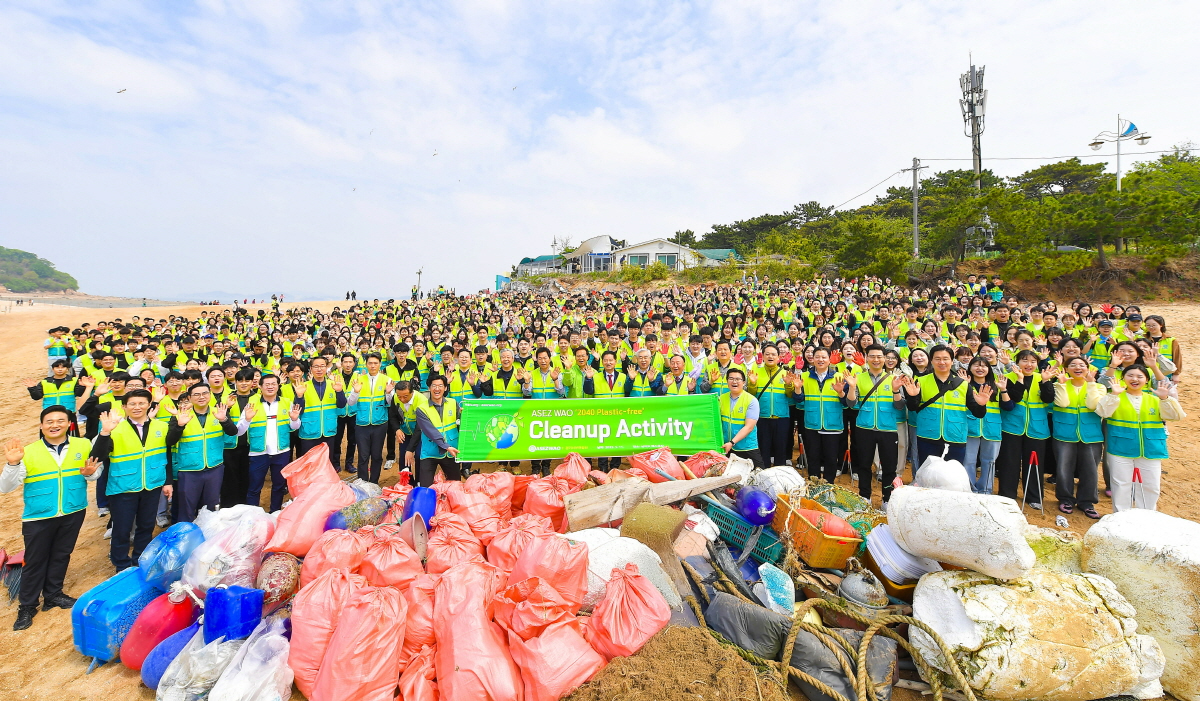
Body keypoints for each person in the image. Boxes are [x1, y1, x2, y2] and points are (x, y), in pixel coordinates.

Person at [1, 407, 102, 631]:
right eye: (49, 421)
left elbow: (95, 473)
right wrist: (13, 464)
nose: (54, 424)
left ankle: (53, 594)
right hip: (39, 515)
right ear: (41, 426)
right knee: (35, 561)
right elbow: (6, 487)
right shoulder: (28, 451)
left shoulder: (83, 445)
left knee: (61, 554)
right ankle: (27, 605)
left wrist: (90, 473)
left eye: (60, 420)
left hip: (73, 510)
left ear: (69, 424)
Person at [89, 390, 170, 573]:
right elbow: (97, 456)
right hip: (122, 487)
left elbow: (166, 456)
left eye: (142, 403)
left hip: (151, 484)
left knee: (146, 526)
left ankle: (140, 559)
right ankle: (121, 564)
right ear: (124, 407)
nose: (137, 407)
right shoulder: (115, 428)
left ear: (149, 404)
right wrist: (105, 432)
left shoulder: (161, 427)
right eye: (132, 404)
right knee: (122, 528)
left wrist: (167, 481)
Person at [1094, 365, 1185, 512]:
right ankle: (1121, 518)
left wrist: (1165, 398)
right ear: (1123, 378)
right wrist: (1114, 395)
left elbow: (1176, 416)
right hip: (1120, 447)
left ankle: (1147, 517)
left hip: (1151, 448)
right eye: (1130, 375)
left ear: (1147, 380)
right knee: (1121, 484)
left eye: (1140, 376)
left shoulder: (1155, 399)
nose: (1134, 379)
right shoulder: (1115, 396)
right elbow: (1102, 412)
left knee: (1151, 485)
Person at [901, 345, 990, 467]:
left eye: (945, 358)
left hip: (955, 437)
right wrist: (911, 397)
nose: (941, 362)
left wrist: (981, 405)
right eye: (937, 359)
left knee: (951, 477)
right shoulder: (921, 381)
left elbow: (978, 414)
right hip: (928, 435)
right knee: (928, 475)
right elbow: (912, 408)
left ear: (952, 361)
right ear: (931, 361)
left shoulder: (963, 384)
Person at [166, 383, 237, 522]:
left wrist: (224, 420)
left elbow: (233, 432)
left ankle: (208, 536)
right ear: (190, 398)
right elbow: (170, 441)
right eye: (196, 394)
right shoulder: (181, 415)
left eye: (205, 393)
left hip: (214, 467)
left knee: (212, 506)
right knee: (187, 507)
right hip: (189, 469)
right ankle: (186, 538)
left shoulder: (218, 412)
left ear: (210, 395)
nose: (201, 397)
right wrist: (180, 426)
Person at [846, 345, 905, 507]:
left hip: (887, 428)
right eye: (872, 356)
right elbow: (851, 403)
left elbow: (900, 406)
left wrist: (895, 391)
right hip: (864, 427)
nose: (876, 360)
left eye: (879, 356)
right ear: (866, 358)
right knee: (864, 465)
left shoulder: (894, 378)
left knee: (889, 467)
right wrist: (851, 387)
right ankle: (865, 497)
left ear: (885, 359)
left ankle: (887, 499)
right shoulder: (859, 377)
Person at [995, 350, 1055, 509]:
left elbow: (1048, 399)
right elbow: (1014, 399)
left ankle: (1034, 497)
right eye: (1024, 360)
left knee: (1035, 463)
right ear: (1017, 362)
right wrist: (1020, 381)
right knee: (1009, 462)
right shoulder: (1008, 378)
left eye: (1032, 361)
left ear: (1037, 363)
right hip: (1012, 426)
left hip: (1037, 427)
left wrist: (1045, 382)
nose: (1028, 364)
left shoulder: (1042, 377)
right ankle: (1007, 495)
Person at [1051, 358, 1107, 518]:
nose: (1078, 368)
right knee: (1064, 468)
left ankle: (1087, 502)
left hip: (1091, 434)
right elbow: (1062, 403)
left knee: (1090, 470)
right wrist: (1061, 384)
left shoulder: (1099, 387)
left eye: (1082, 365)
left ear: (1088, 369)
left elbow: (1093, 405)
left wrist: (1090, 384)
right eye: (1073, 365)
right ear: (1066, 368)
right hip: (1064, 433)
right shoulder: (1058, 385)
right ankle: (1066, 498)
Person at [238, 374, 301, 511]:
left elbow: (295, 427)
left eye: (274, 384)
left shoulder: (286, 402)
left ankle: (275, 512)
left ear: (278, 386)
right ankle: (253, 516)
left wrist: (295, 419)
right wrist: (247, 419)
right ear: (260, 387)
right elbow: (239, 431)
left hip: (281, 451)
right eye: (267, 384)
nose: (270, 386)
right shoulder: (252, 404)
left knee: (279, 486)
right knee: (254, 487)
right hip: (258, 452)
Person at [791, 347, 849, 483]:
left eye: (824, 357)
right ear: (812, 359)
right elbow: (799, 401)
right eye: (817, 356)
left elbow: (846, 404)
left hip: (833, 424)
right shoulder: (804, 376)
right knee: (813, 457)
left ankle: (828, 486)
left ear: (830, 360)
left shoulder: (839, 377)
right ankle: (813, 485)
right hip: (812, 424)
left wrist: (841, 392)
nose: (820, 360)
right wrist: (798, 389)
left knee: (831, 458)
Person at [347, 353, 395, 484]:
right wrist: (356, 392)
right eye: (370, 363)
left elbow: (391, 403)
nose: (373, 366)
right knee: (363, 456)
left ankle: (374, 483)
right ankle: (363, 483)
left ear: (380, 364)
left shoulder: (387, 379)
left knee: (376, 455)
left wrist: (389, 393)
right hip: (362, 424)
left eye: (375, 363)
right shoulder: (359, 380)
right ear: (366, 364)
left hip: (380, 424)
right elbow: (350, 403)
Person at [295, 355, 346, 456]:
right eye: (316, 366)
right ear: (311, 369)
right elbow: (298, 410)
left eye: (322, 366)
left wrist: (339, 392)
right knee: (309, 465)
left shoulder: (334, 384)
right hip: (309, 431)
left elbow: (341, 405)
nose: (319, 369)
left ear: (327, 367)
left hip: (328, 430)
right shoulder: (303, 386)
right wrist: (299, 396)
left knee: (326, 464)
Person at [751, 345, 793, 467]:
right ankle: (764, 475)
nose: (770, 356)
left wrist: (789, 385)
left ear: (779, 357)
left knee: (781, 449)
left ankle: (779, 475)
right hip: (762, 417)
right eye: (767, 354)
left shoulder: (785, 373)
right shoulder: (756, 373)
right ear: (762, 356)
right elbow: (751, 396)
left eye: (773, 354)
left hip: (782, 417)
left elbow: (790, 396)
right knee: (763, 449)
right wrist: (752, 384)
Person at [415, 376, 461, 486]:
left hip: (451, 452)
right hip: (430, 452)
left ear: (445, 388)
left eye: (440, 386)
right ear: (429, 388)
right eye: (434, 386)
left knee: (455, 486)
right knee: (426, 487)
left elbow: (461, 423)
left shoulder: (453, 403)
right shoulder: (421, 408)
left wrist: (466, 414)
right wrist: (446, 446)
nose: (437, 389)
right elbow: (430, 431)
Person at [720, 368, 765, 468]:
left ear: (744, 382)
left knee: (758, 474)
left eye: (738, 379)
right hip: (726, 446)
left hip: (746, 446)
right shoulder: (721, 398)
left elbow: (749, 427)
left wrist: (732, 442)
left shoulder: (751, 401)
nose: (734, 381)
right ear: (726, 381)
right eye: (731, 378)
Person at [332, 353, 359, 472]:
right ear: (341, 363)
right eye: (345, 362)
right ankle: (336, 464)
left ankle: (349, 463)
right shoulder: (334, 377)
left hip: (354, 413)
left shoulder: (359, 377)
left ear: (354, 363)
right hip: (339, 413)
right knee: (337, 440)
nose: (348, 364)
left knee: (352, 440)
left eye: (350, 362)